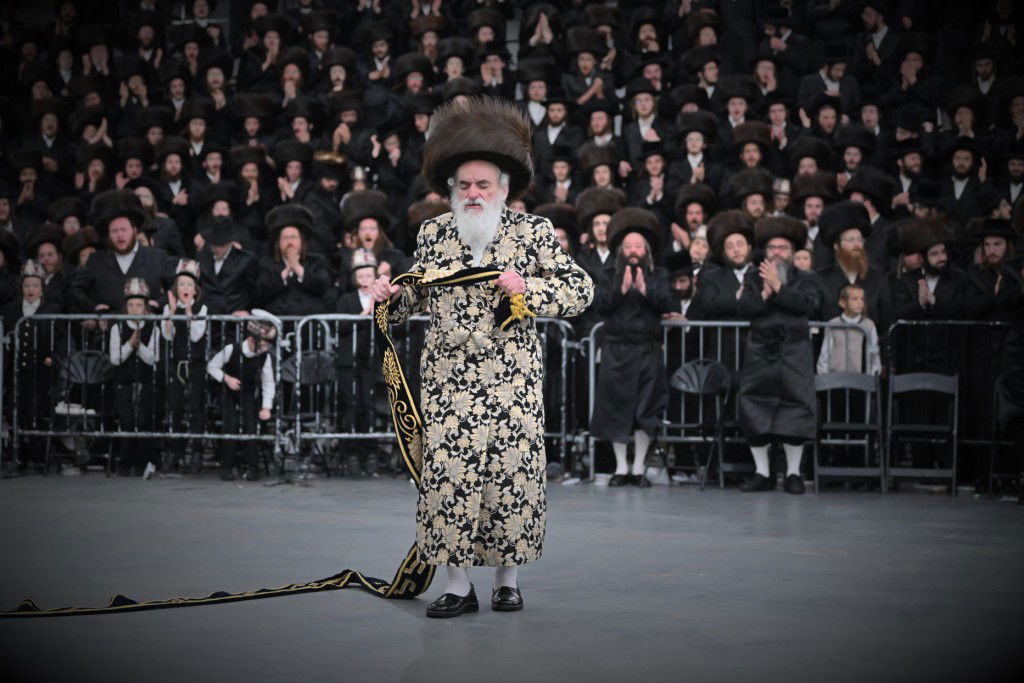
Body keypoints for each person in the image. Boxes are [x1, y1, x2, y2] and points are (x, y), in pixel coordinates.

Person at [370, 97, 593, 618]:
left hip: (512, 385)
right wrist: (391, 297)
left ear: (503, 188)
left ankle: (507, 582)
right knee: (448, 481)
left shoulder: (532, 233)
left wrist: (528, 287)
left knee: (510, 481)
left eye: (483, 185)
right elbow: (415, 300)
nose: (473, 193)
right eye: (464, 185)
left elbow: (580, 290)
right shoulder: (432, 234)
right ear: (450, 190)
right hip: (447, 384)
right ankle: (456, 585)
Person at [590, 207, 677, 487]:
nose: (634, 249)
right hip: (616, 349)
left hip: (648, 349)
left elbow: (667, 303)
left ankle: (639, 467)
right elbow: (600, 305)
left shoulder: (659, 274)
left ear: (647, 249)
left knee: (646, 410)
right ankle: (620, 467)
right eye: (628, 245)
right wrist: (623, 290)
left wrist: (644, 289)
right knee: (616, 409)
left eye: (638, 245)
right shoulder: (607, 274)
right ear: (621, 250)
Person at [735, 216, 821, 494]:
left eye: (783, 248)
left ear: (794, 252)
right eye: (772, 248)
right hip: (760, 351)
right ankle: (763, 472)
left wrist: (780, 289)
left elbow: (808, 304)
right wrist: (764, 292)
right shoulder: (751, 276)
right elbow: (745, 308)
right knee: (754, 408)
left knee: (795, 408)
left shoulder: (807, 278)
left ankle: (793, 473)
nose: (777, 253)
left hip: (794, 351)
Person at [206, 309, 280, 482]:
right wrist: (226, 378)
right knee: (230, 426)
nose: (265, 347)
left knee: (251, 426)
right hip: (229, 392)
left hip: (248, 393)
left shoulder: (264, 357)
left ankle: (253, 468)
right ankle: (227, 467)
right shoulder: (232, 349)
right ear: (251, 339)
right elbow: (212, 366)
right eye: (262, 343)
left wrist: (266, 407)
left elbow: (268, 382)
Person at [161, 259, 209, 473]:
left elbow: (197, 335)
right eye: (181, 284)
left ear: (195, 289)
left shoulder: (201, 308)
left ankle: (197, 451)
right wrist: (172, 313)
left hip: (195, 364)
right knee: (175, 408)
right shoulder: (168, 308)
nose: (185, 288)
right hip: (177, 363)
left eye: (189, 285)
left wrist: (189, 313)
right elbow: (167, 336)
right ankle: (175, 452)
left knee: (196, 408)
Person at [109, 278, 160, 477]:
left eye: (139, 305)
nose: (135, 308)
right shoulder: (118, 328)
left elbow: (152, 358)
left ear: (145, 307)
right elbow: (115, 359)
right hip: (124, 381)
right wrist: (130, 344)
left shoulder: (152, 327)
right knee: (127, 421)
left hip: (145, 381)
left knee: (144, 420)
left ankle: (142, 461)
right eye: (131, 305)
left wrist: (140, 346)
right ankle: (125, 461)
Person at [816, 284, 881, 375]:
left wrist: (873, 375)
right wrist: (823, 374)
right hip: (835, 377)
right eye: (855, 299)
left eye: (862, 299)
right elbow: (825, 353)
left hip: (860, 378)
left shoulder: (869, 325)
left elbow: (874, 353)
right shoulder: (833, 324)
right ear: (842, 303)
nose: (860, 302)